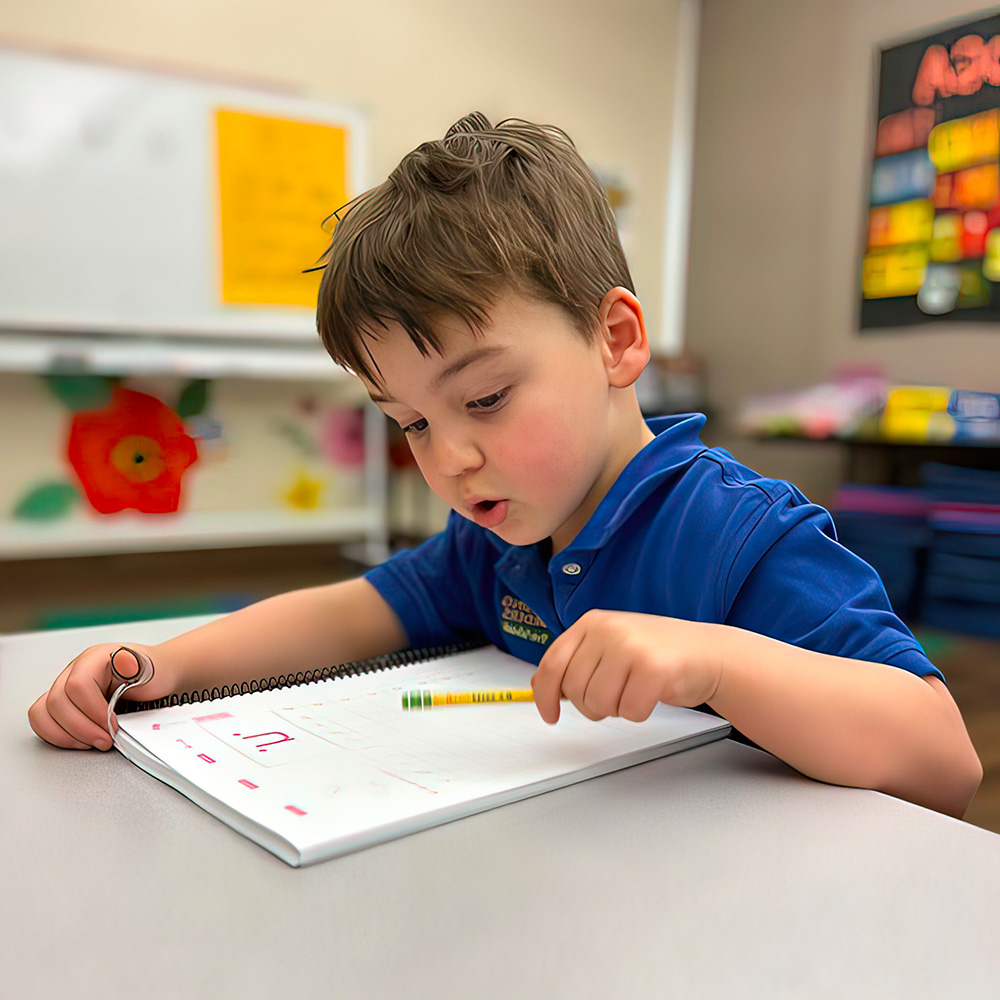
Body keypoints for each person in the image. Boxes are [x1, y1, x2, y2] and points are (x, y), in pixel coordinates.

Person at [28, 112, 982, 818]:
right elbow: (355, 610)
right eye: (409, 423)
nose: (451, 458)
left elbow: (945, 759)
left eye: (484, 399)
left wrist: (716, 661)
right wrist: (166, 664)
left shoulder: (738, 533)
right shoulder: (495, 537)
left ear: (614, 340)